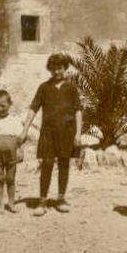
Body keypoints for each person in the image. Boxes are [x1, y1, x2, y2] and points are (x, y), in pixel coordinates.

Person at [22, 53, 82, 216]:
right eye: (54, 68)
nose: (57, 72)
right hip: (48, 132)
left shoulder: (71, 88)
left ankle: (61, 199)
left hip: (67, 132)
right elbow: (33, 108)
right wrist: (25, 129)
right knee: (47, 164)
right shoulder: (44, 87)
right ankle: (42, 201)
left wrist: (78, 134)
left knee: (64, 164)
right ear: (50, 69)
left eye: (60, 68)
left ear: (65, 68)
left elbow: (78, 111)